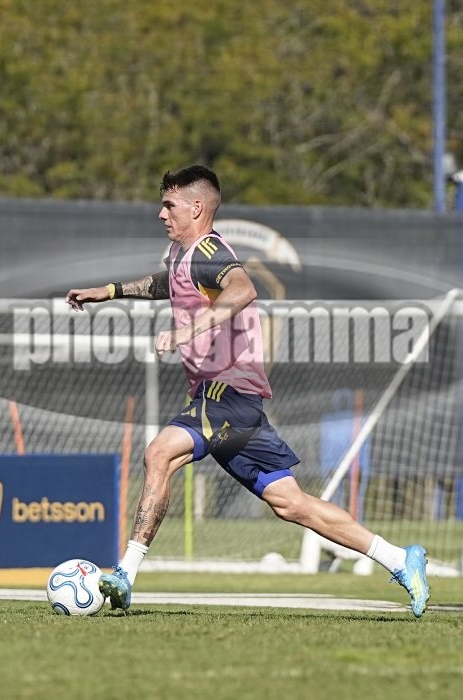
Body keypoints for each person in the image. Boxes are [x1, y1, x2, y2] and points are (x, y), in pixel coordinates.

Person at [65, 164, 429, 617]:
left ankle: (125, 574)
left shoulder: (210, 249)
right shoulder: (182, 254)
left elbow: (243, 289)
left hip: (226, 394)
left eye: (169, 205)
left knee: (159, 454)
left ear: (197, 207)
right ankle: (400, 559)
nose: (161, 214)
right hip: (232, 403)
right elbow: (169, 283)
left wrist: (187, 331)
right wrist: (110, 290)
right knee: (291, 503)